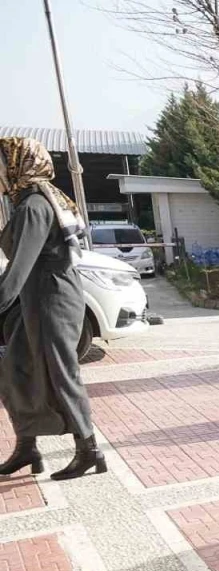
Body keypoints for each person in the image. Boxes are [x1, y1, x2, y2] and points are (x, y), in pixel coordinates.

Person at [0, 137, 106, 482]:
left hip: (51, 300)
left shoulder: (34, 206)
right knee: (14, 370)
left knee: (61, 373)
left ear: (19, 163)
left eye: (3, 163)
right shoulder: (28, 202)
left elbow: (19, 267)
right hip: (33, 300)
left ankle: (89, 449)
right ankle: (27, 447)